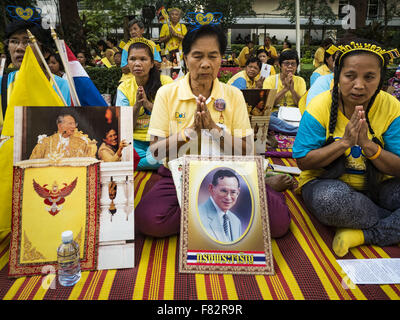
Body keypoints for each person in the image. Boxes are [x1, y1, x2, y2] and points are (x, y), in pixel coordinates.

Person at [134, 24, 292, 238]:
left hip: (230, 177)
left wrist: (213, 129)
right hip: (179, 176)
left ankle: (217, 208)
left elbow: (248, 153)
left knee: (279, 224)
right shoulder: (167, 94)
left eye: (213, 56)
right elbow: (154, 154)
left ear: (221, 60)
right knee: (149, 221)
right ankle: (216, 214)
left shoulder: (233, 95)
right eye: (197, 56)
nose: (205, 64)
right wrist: (188, 132)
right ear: (185, 58)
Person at [293, 39, 400, 257]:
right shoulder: (320, 106)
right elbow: (303, 161)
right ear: (337, 76)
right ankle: (391, 221)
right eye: (350, 76)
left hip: (380, 187)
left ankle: (363, 234)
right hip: (328, 185)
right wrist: (345, 143)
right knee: (329, 201)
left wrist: (369, 146)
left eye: (369, 77)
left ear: (380, 79)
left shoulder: (392, 107)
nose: (359, 85)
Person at [1, 20, 71, 129]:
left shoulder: (64, 87)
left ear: (46, 51)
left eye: (28, 41)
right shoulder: (2, 84)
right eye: (14, 41)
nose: (19, 48)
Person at [116, 38, 173, 170]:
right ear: (128, 62)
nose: (137, 64)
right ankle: (149, 163)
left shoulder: (166, 83)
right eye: (132, 59)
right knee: (123, 153)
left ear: (152, 63)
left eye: (143, 59)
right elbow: (124, 125)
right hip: (135, 142)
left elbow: (173, 118)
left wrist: (148, 105)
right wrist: (137, 106)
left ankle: (135, 163)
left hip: (160, 140)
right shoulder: (124, 88)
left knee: (148, 158)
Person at [263, 49, 306, 135]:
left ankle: (287, 129)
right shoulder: (270, 80)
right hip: (276, 114)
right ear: (279, 65)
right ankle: (299, 131)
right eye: (286, 64)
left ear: (297, 66)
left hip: (295, 113)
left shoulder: (300, 80)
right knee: (267, 119)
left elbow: (301, 105)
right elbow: (268, 104)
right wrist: (285, 89)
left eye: (293, 64)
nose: (290, 67)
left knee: (309, 118)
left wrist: (292, 90)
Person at [198, 169, 243, 243]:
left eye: (233, 192)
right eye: (223, 191)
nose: (228, 197)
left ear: (238, 192)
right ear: (211, 188)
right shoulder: (197, 216)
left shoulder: (236, 222)